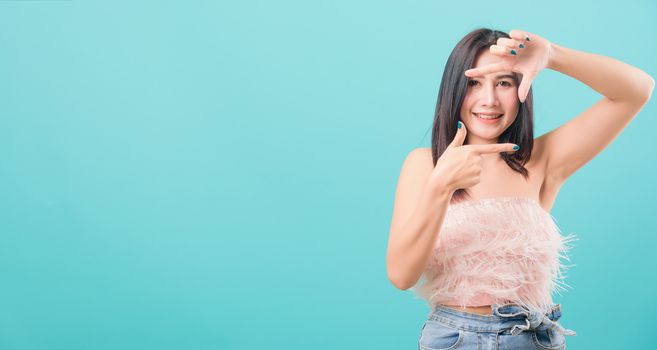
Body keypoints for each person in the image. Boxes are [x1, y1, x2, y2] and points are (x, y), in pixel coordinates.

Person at [385, 28, 654, 349]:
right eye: (474, 83)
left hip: (532, 337)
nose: (489, 100)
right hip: (455, 338)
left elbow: (637, 90)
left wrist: (554, 56)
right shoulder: (424, 164)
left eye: (504, 83)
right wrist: (440, 187)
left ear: (522, 87)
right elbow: (402, 276)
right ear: (454, 89)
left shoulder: (542, 159)